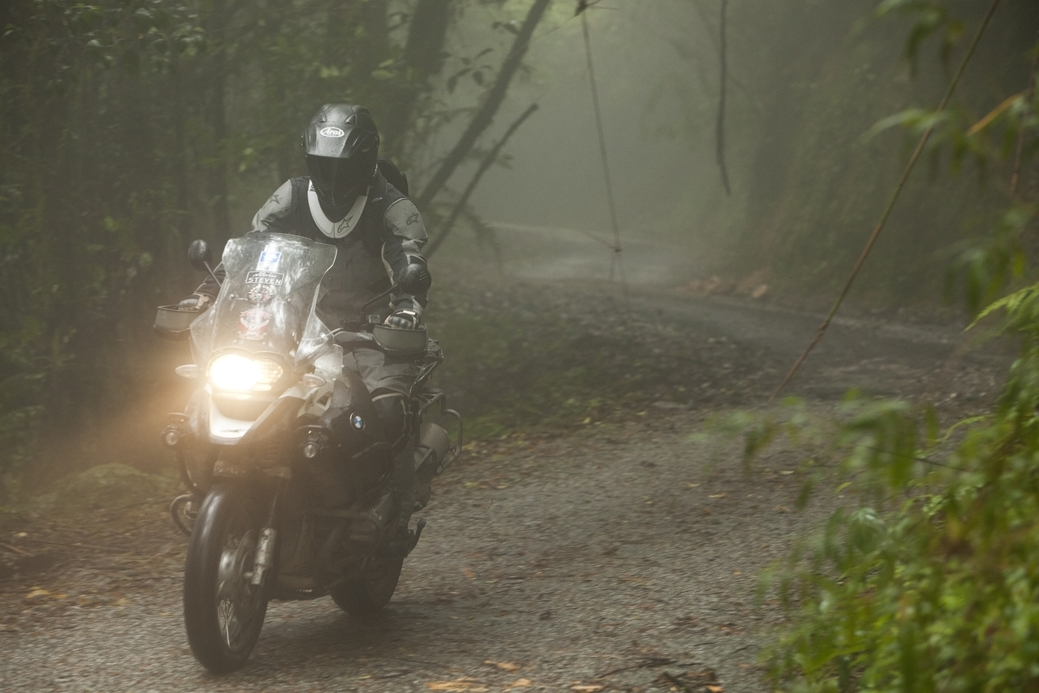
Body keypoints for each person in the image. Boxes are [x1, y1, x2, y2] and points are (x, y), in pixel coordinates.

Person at [180, 103, 430, 549]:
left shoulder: (392, 205)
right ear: (309, 159)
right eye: (323, 165)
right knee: (207, 390)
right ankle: (224, 496)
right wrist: (208, 290)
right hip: (293, 327)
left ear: (366, 160)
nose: (333, 177)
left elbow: (410, 259)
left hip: (368, 330)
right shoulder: (292, 196)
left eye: (344, 166)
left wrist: (407, 307)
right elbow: (249, 250)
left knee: (387, 409)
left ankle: (392, 514)